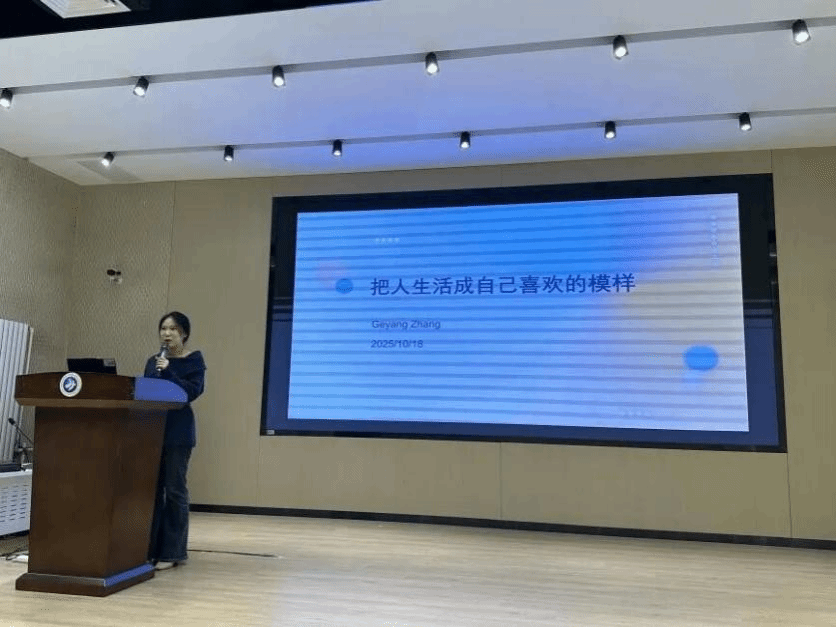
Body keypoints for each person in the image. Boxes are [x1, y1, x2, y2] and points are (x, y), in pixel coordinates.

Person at [144, 311, 207, 570]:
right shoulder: (153, 361)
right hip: (153, 432)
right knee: (153, 491)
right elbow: (146, 390)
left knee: (174, 490)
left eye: (173, 329)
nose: (167, 334)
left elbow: (191, 392)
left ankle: (173, 553)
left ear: (184, 333)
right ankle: (150, 549)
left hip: (178, 434)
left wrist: (169, 371)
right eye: (163, 329)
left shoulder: (194, 360)